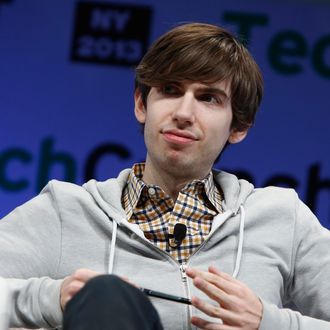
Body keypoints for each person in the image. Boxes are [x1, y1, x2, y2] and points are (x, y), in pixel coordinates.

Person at [0, 22, 330, 330]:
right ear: (142, 105)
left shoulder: (283, 218)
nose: (184, 114)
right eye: (170, 90)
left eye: (208, 98)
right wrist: (49, 299)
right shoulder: (66, 210)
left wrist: (268, 322)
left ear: (238, 127)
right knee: (106, 297)